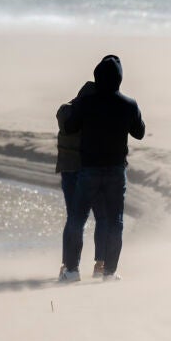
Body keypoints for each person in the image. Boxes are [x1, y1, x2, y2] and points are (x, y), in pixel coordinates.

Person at [57, 54, 145, 280]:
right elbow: (139, 132)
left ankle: (71, 271)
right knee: (114, 221)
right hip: (116, 170)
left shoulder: (87, 103)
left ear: (97, 77)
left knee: (77, 219)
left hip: (90, 170)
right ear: (119, 79)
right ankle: (109, 272)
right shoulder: (128, 104)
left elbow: (69, 127)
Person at [54, 80, 95, 282]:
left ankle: (68, 265)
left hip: (68, 170)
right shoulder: (89, 116)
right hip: (86, 171)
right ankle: (91, 265)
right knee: (94, 219)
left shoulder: (65, 112)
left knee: (73, 219)